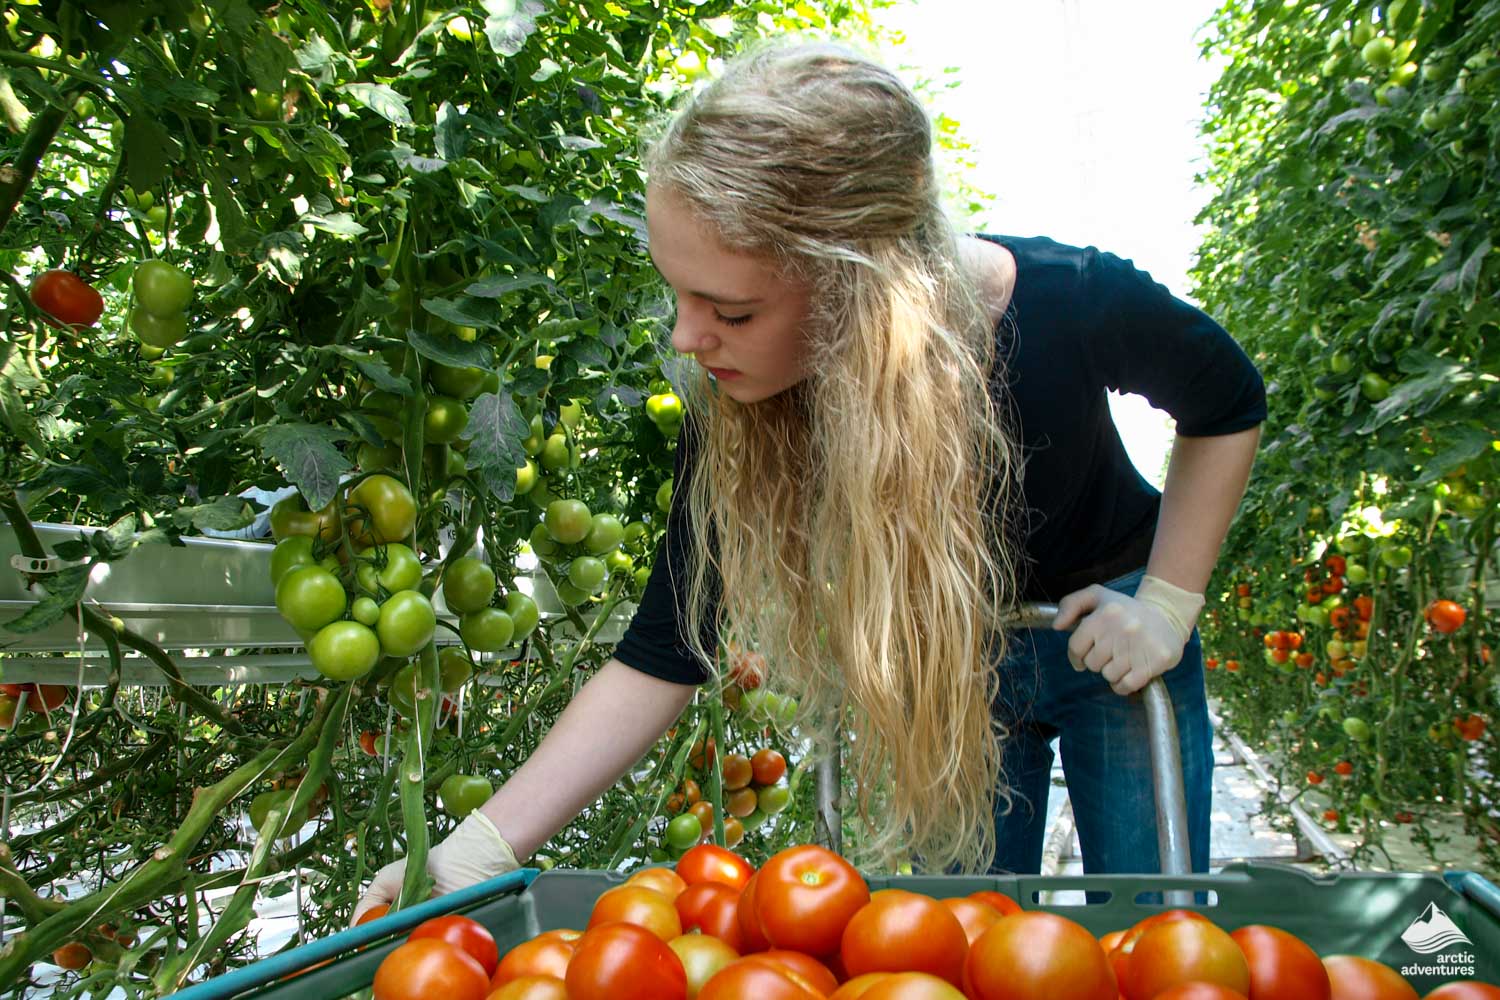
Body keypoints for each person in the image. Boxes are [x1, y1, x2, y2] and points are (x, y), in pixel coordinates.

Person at [352, 40, 1264, 919]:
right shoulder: (744, 393)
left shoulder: (1068, 300)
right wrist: (473, 851)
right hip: (956, 663)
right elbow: (669, 647)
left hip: (1110, 641)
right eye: (679, 294)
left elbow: (1226, 397)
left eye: (731, 310)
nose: (686, 337)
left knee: (1154, 925)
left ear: (863, 289)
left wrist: (1168, 605)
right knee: (969, 938)